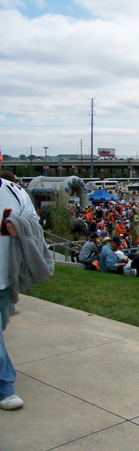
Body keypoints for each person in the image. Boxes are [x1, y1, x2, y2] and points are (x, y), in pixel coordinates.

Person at [0, 153, 54, 410]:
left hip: (4, 279)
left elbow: (34, 223)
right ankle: (5, 385)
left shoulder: (15, 193)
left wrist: (18, 225)